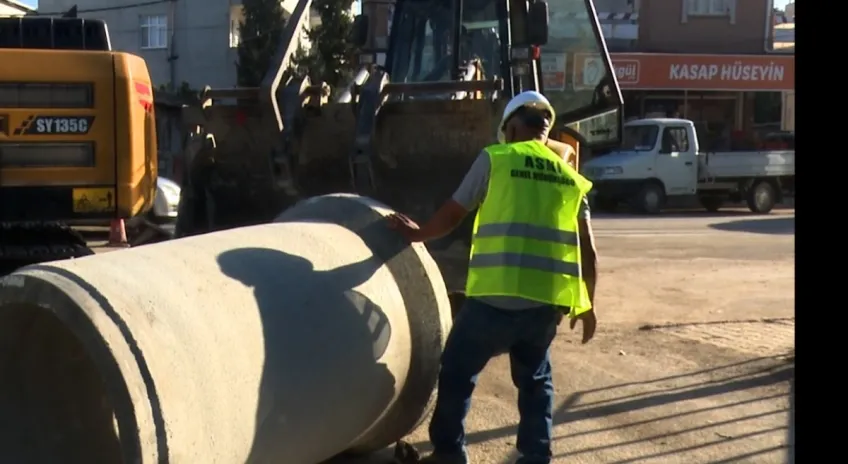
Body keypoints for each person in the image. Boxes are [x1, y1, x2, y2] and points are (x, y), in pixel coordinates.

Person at [386, 91, 598, 464]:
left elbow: (454, 213)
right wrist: (588, 305)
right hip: (544, 306)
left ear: (511, 128)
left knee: (458, 370)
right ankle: (535, 456)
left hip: (493, 300)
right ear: (545, 130)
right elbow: (589, 250)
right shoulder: (570, 177)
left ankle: (450, 453)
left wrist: (417, 234)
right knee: (536, 382)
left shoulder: (496, 159)